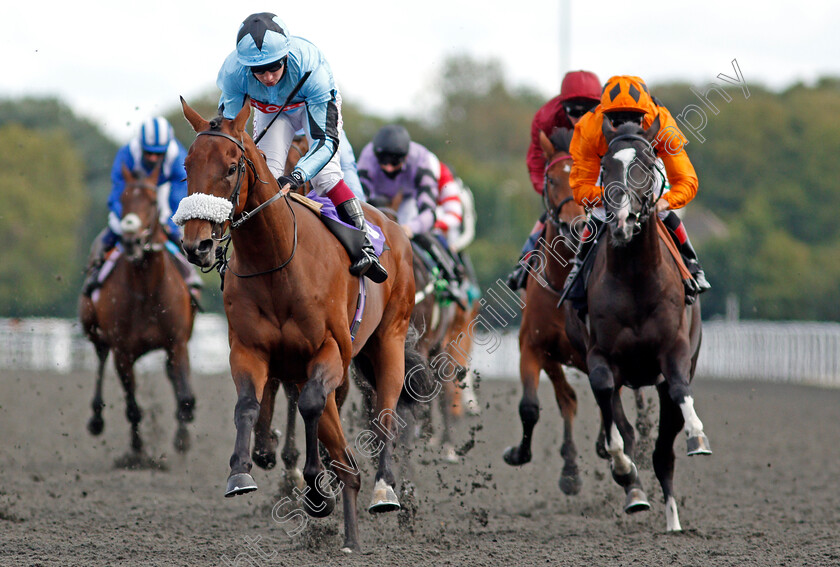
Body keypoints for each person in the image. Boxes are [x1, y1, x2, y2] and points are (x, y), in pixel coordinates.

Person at [216, 12, 386, 282]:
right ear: (246, 67)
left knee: (325, 177)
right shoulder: (233, 74)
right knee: (265, 177)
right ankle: (242, 253)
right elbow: (229, 133)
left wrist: (298, 175)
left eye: (274, 67)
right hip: (272, 111)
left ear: (285, 56)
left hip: (311, 105)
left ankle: (364, 244)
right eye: (259, 71)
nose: (269, 77)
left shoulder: (313, 69)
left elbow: (325, 142)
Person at [565, 75, 711, 309]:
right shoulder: (590, 128)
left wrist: (665, 201)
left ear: (646, 115)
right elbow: (581, 189)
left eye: (634, 119)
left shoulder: (662, 123)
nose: (625, 125)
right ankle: (578, 270)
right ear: (604, 115)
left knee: (663, 213)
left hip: (645, 169)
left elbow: (686, 181)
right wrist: (612, 197)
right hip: (611, 172)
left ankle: (691, 264)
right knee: (600, 214)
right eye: (616, 120)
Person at [81, 117, 203, 298]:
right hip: (131, 197)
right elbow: (117, 192)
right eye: (148, 152)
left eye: (158, 153)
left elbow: (179, 191)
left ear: (167, 148)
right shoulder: (127, 154)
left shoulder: (177, 155)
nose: (153, 158)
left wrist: (169, 222)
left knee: (176, 234)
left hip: (160, 193)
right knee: (112, 231)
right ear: (141, 145)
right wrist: (124, 218)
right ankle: (94, 276)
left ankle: (191, 278)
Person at [506, 70, 602, 291]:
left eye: (585, 110)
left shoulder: (607, 118)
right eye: (572, 111)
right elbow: (535, 161)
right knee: (548, 216)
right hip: (563, 181)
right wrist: (549, 192)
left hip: (594, 178)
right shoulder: (545, 120)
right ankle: (524, 265)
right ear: (562, 105)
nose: (579, 117)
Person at [357, 125, 464, 305]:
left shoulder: (422, 160)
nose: (389, 168)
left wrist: (410, 229)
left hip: (410, 196)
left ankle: (450, 275)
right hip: (377, 197)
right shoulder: (368, 157)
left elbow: (429, 213)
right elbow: (359, 197)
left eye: (394, 163)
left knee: (413, 227)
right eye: (383, 162)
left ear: (405, 157)